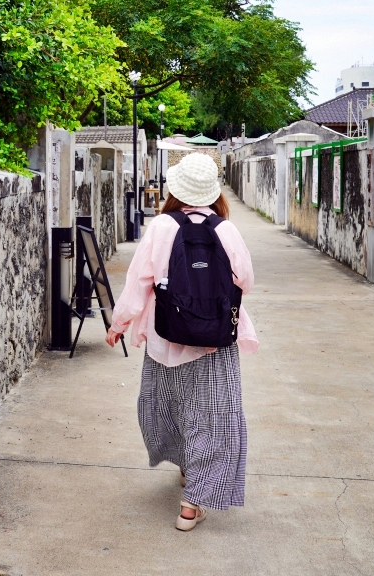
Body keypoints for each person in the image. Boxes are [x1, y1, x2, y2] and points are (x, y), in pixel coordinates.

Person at [105, 152, 256, 531]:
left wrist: (119, 323)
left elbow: (139, 280)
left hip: (166, 336)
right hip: (215, 340)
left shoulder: (160, 227)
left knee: (171, 407)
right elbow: (246, 282)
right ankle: (192, 504)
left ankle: (188, 468)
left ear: (175, 189)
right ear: (213, 193)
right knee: (213, 417)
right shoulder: (226, 230)